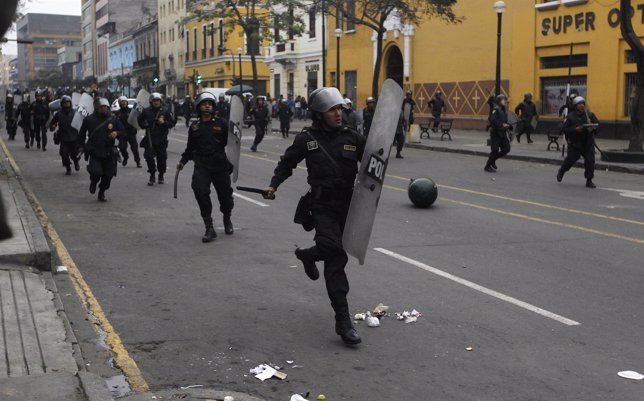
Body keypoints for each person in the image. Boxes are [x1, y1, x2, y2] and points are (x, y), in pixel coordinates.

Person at [262, 87, 366, 346]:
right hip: (321, 206)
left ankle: (308, 255)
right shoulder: (307, 139)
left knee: (332, 256)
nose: (338, 113)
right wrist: (274, 185)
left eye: (340, 108)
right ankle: (344, 322)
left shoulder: (352, 137)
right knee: (335, 254)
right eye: (332, 109)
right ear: (319, 114)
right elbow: (287, 163)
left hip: (348, 207)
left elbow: (374, 163)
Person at [177, 92, 234, 242]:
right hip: (202, 165)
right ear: (199, 107)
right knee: (200, 191)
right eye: (204, 104)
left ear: (213, 107)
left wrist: (233, 160)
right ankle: (209, 227)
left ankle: (227, 218)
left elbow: (234, 144)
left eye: (210, 104)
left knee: (226, 198)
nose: (207, 106)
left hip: (220, 165)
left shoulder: (222, 123)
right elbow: (190, 148)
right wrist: (183, 161)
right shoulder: (194, 127)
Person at [78, 98, 124, 201]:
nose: (104, 109)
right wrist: (81, 146)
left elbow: (123, 132)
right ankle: (93, 182)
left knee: (109, 175)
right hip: (95, 151)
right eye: (102, 107)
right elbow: (81, 134)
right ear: (97, 108)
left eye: (106, 107)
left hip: (109, 152)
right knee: (96, 172)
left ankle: (102, 191)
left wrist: (117, 133)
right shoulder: (89, 119)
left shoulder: (114, 119)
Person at [557, 96, 599, 188]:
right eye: (579, 104)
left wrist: (593, 128)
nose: (581, 106)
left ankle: (589, 180)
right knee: (570, 160)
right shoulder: (570, 117)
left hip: (587, 143)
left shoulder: (590, 115)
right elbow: (564, 129)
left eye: (582, 104)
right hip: (575, 144)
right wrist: (575, 129)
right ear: (575, 105)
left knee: (590, 161)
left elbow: (597, 126)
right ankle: (562, 170)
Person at [138, 92, 176, 186]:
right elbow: (140, 120)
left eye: (158, 101)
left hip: (162, 139)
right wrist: (144, 125)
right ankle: (152, 175)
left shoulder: (165, 111)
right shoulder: (146, 111)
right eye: (154, 101)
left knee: (162, 159)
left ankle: (161, 175)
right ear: (151, 102)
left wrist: (164, 122)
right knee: (149, 157)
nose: (156, 102)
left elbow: (172, 123)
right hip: (150, 139)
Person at [49, 95, 80, 175]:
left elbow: (81, 124)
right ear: (62, 104)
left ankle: (76, 162)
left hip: (74, 137)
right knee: (64, 154)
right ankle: (68, 167)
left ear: (70, 103)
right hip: (64, 137)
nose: (66, 104)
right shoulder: (58, 114)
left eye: (68, 102)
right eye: (65, 103)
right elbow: (52, 123)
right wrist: (53, 126)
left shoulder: (75, 113)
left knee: (74, 154)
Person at [484, 94, 512, 173]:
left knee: (506, 149)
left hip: (503, 133)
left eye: (505, 100)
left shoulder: (504, 109)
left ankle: (493, 160)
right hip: (496, 133)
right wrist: (502, 124)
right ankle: (487, 166)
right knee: (495, 150)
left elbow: (505, 121)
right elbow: (493, 120)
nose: (505, 101)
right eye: (503, 100)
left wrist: (508, 126)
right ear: (499, 101)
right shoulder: (496, 109)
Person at [115, 96, 142, 168]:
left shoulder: (131, 111)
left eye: (125, 101)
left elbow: (138, 118)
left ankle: (138, 161)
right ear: (120, 103)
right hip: (122, 133)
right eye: (122, 102)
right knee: (122, 147)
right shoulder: (117, 113)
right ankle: (125, 157)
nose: (124, 103)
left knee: (135, 148)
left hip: (131, 132)